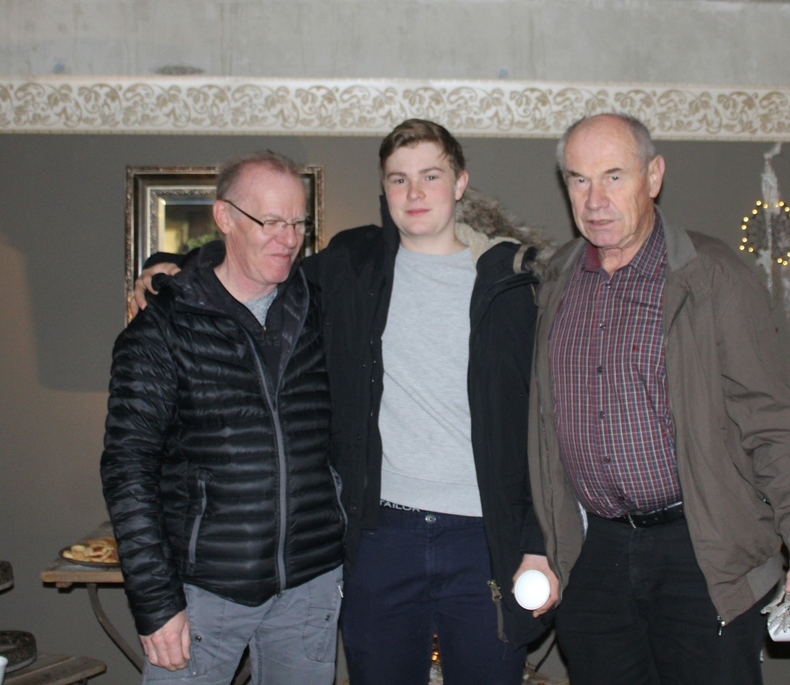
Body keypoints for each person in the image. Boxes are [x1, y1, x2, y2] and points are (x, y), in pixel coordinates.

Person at [135, 120, 556, 685]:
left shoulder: (513, 284)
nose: (414, 192)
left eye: (431, 176)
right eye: (398, 179)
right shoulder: (351, 265)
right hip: (381, 537)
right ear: (384, 189)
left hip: (483, 539)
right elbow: (258, 263)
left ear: (460, 183)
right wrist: (173, 265)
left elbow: (545, 427)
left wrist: (536, 541)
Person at [527, 113, 790, 685]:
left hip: (699, 553)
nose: (594, 200)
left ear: (653, 176)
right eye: (578, 179)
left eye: (614, 176)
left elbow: (771, 423)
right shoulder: (557, 280)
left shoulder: (713, 278)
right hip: (593, 556)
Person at [102, 151, 344, 685]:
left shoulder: (321, 308)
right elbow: (127, 469)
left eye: (298, 223)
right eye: (270, 221)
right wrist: (155, 601)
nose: (288, 239)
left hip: (309, 584)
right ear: (224, 217)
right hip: (202, 594)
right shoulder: (162, 329)